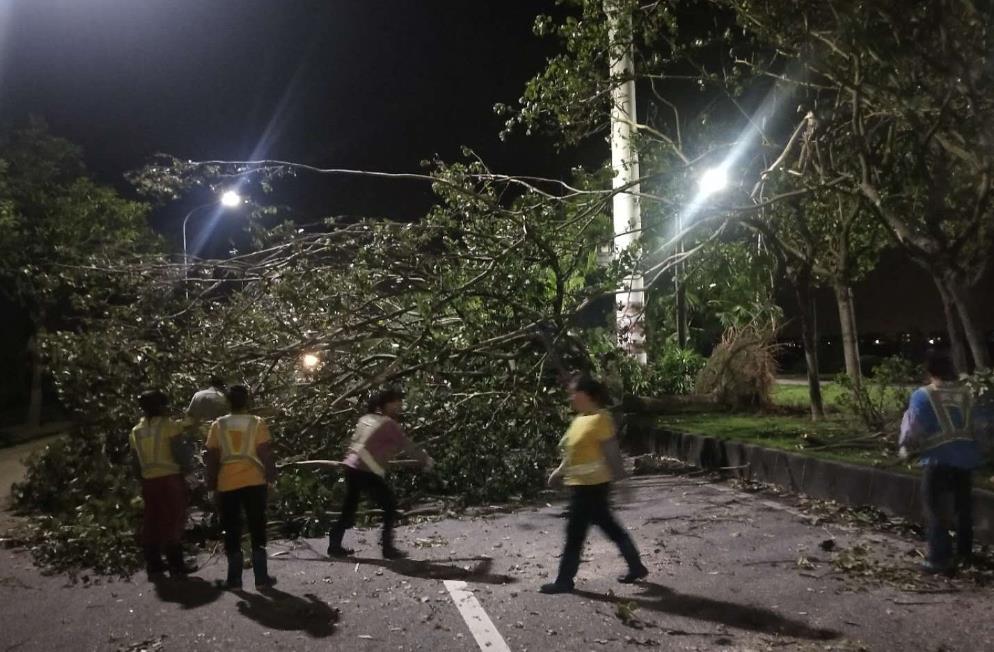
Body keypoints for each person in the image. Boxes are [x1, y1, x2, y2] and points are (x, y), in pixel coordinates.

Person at [541, 375, 648, 594]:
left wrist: (623, 483)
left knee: (575, 533)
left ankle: (564, 580)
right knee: (609, 528)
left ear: (588, 395)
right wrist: (559, 473)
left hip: (594, 487)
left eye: (574, 393)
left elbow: (612, 454)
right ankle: (636, 567)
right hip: (580, 486)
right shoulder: (579, 420)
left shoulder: (601, 419)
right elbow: (573, 454)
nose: (571, 397)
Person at [899, 350, 985, 573]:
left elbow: (914, 428)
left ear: (929, 371)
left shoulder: (923, 395)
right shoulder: (966, 394)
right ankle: (964, 555)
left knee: (935, 510)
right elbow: (979, 427)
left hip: (937, 461)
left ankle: (938, 559)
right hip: (965, 461)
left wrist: (905, 448)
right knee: (962, 510)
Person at [327, 387, 434, 560]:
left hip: (352, 468)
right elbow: (407, 445)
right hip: (366, 471)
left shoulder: (365, 419)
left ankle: (334, 545)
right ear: (388, 404)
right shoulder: (389, 424)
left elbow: (356, 443)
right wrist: (426, 459)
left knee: (349, 508)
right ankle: (387, 548)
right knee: (390, 506)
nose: (400, 406)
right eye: (397, 402)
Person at [205, 384, 277, 589]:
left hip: (228, 483)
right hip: (254, 482)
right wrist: (271, 477)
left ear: (228, 402)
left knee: (232, 529)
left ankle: (234, 579)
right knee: (257, 527)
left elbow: (212, 458)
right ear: (247, 401)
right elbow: (265, 453)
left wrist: (211, 486)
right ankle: (261, 579)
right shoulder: (257, 423)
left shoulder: (218, 425)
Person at [129, 389, 195, 579]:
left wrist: (140, 479)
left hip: (149, 482)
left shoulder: (136, 431)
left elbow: (135, 462)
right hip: (170, 479)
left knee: (152, 520)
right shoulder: (169, 426)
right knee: (174, 519)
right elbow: (180, 453)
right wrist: (189, 471)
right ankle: (176, 565)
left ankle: (154, 564)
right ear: (160, 407)